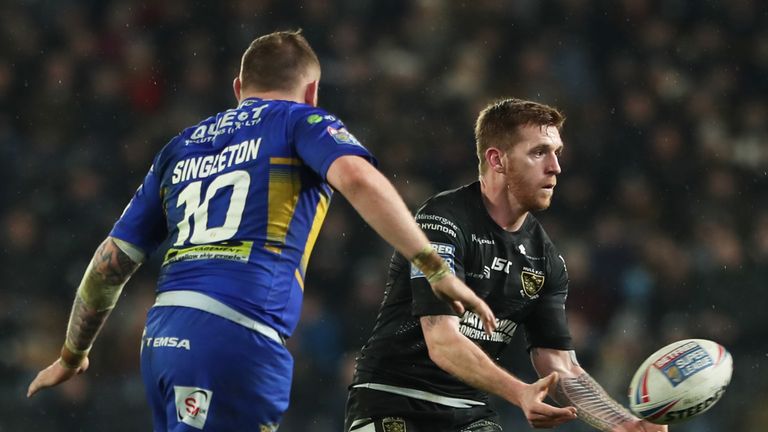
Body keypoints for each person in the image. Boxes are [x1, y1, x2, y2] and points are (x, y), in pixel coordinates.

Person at [26, 30, 496, 432]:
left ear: (238, 88)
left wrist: (73, 354)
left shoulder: (180, 147)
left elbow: (111, 261)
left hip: (164, 336)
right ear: (312, 91)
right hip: (235, 334)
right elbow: (357, 178)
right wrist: (434, 266)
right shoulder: (302, 120)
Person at [345, 98, 669, 432]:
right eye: (539, 152)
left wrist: (623, 423)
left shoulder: (545, 259)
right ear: (497, 159)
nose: (556, 166)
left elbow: (559, 365)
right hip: (392, 398)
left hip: (470, 412)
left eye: (557, 152)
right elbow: (441, 342)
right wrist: (520, 393)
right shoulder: (442, 220)